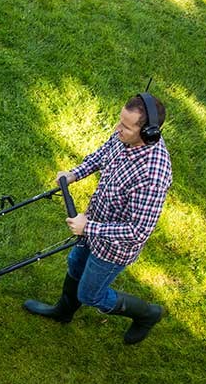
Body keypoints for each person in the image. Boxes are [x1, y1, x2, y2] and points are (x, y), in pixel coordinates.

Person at [24, 93, 172, 344]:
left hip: (113, 247)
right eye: (119, 122)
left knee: (90, 294)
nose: (117, 129)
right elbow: (101, 155)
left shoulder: (153, 174)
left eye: (125, 126)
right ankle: (63, 312)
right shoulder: (123, 138)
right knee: (75, 265)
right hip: (92, 224)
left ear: (148, 132)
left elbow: (137, 232)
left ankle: (148, 314)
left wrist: (87, 227)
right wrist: (74, 174)